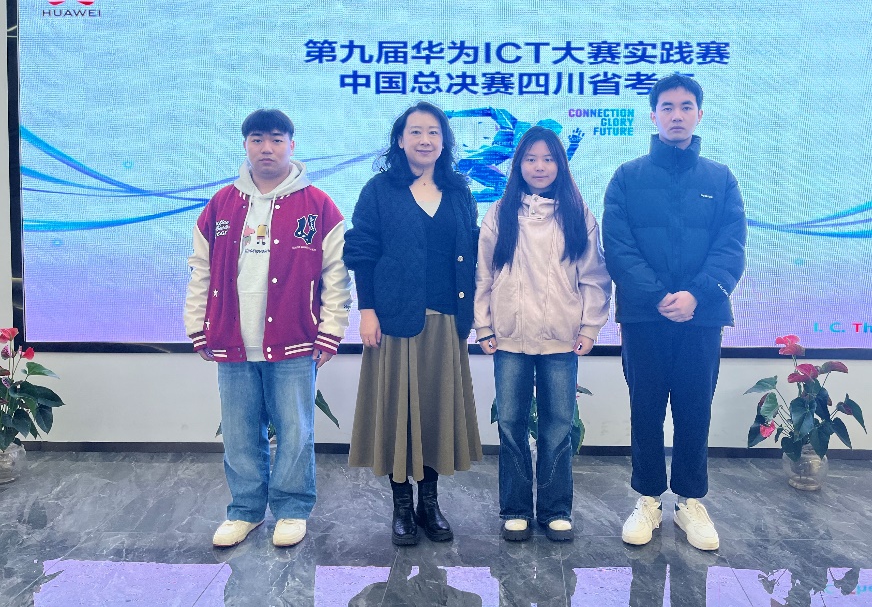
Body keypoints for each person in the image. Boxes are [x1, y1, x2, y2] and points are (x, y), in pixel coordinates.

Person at [184, 108, 352, 549]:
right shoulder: (221, 204)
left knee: (295, 431)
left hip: (295, 337)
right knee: (239, 432)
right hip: (232, 338)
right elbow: (200, 268)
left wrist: (331, 329)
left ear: (292, 145)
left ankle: (292, 509)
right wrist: (197, 324)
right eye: (257, 139)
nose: (267, 148)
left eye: (277, 139)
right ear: (246, 145)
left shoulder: (318, 205)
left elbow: (336, 275)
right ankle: (245, 511)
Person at [602, 74, 746, 551]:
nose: (677, 115)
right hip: (644, 317)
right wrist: (659, 296)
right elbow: (618, 247)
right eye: (667, 107)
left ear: (699, 114)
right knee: (644, 409)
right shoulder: (627, 177)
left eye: (686, 106)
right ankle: (647, 499)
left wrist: (697, 296)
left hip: (702, 318)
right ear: (654, 115)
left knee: (694, 409)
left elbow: (731, 246)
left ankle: (689, 502)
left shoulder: (720, 179)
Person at [344, 101, 482, 546]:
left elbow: (473, 251)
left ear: (445, 141)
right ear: (400, 140)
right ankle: (401, 505)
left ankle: (430, 503)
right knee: (399, 414)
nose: (425, 140)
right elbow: (362, 251)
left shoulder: (459, 190)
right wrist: (367, 310)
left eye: (434, 132)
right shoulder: (379, 190)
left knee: (434, 413)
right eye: (416, 132)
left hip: (446, 322)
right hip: (395, 320)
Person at [474, 125, 611, 543]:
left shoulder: (578, 215)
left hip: (560, 339)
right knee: (511, 423)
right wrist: (484, 325)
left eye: (548, 159)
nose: (539, 166)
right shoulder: (499, 213)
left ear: (560, 165)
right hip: (509, 338)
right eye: (531, 159)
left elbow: (593, 276)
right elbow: (483, 275)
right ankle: (515, 509)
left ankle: (555, 510)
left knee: (557, 426)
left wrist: (590, 326)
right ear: (518, 164)